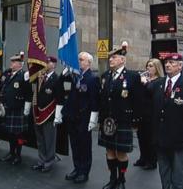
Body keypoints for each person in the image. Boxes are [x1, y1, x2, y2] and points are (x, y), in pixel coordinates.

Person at [98, 42, 143, 189]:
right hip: (107, 121)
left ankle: (122, 179)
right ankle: (112, 179)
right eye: (110, 58)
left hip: (123, 120)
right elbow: (103, 99)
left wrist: (135, 121)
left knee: (121, 153)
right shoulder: (105, 76)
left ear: (122, 60)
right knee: (109, 151)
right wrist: (100, 119)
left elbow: (137, 100)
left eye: (114, 57)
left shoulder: (132, 76)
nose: (110, 60)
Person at [150, 53, 183, 189]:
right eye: (166, 63)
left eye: (172, 63)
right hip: (160, 137)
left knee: (177, 172)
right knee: (163, 171)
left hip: (179, 138)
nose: (168, 65)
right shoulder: (158, 84)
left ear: (180, 66)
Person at [62, 52, 100, 183]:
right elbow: (60, 83)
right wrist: (66, 71)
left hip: (84, 117)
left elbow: (94, 100)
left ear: (88, 62)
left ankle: (84, 171)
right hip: (72, 116)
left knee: (84, 146)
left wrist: (93, 119)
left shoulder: (92, 78)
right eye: (78, 59)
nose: (78, 61)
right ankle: (77, 168)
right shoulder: (75, 76)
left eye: (81, 59)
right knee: (74, 145)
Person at [0, 52, 32, 165]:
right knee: (10, 134)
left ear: (20, 64)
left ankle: (18, 155)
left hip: (19, 108)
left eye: (14, 62)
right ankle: (11, 152)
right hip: (9, 108)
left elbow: (28, 92)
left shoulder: (23, 75)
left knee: (19, 135)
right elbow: (4, 89)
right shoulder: (8, 75)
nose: (11, 64)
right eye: (12, 62)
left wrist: (27, 108)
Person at [31, 56, 62, 173]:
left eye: (48, 62)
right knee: (40, 139)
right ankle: (42, 160)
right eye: (46, 62)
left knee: (49, 140)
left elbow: (59, 99)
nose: (46, 64)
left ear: (54, 64)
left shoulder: (57, 79)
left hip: (49, 114)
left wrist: (58, 116)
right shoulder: (40, 77)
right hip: (39, 112)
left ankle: (49, 161)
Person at [134, 58, 164, 170]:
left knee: (150, 138)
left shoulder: (160, 80)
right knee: (141, 136)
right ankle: (143, 158)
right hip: (142, 112)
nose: (148, 68)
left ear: (156, 68)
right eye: (147, 66)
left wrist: (146, 83)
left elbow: (153, 92)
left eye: (151, 66)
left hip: (152, 113)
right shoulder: (145, 78)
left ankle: (151, 161)